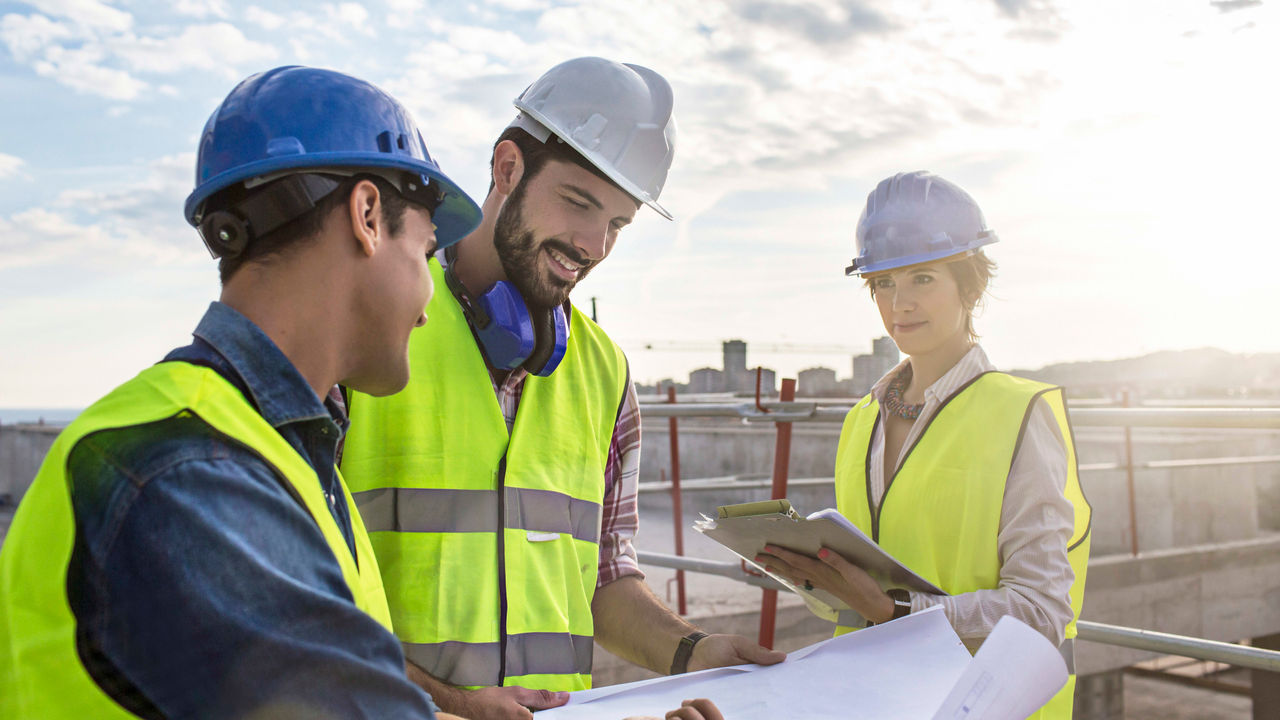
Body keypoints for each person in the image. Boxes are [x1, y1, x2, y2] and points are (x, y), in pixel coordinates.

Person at [339, 56, 785, 720]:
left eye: (617, 224)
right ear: (507, 168)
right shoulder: (370, 331)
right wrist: (450, 702)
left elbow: (605, 578)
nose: (593, 244)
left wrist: (692, 651)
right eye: (578, 203)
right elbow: (297, 594)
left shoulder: (603, 372)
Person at [757, 171, 1091, 719]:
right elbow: (858, 600)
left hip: (985, 708)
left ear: (970, 286)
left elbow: (1042, 610)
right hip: (874, 702)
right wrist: (811, 577)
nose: (900, 304)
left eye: (923, 278)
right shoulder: (862, 420)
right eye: (883, 283)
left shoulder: (1020, 415)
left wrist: (896, 610)